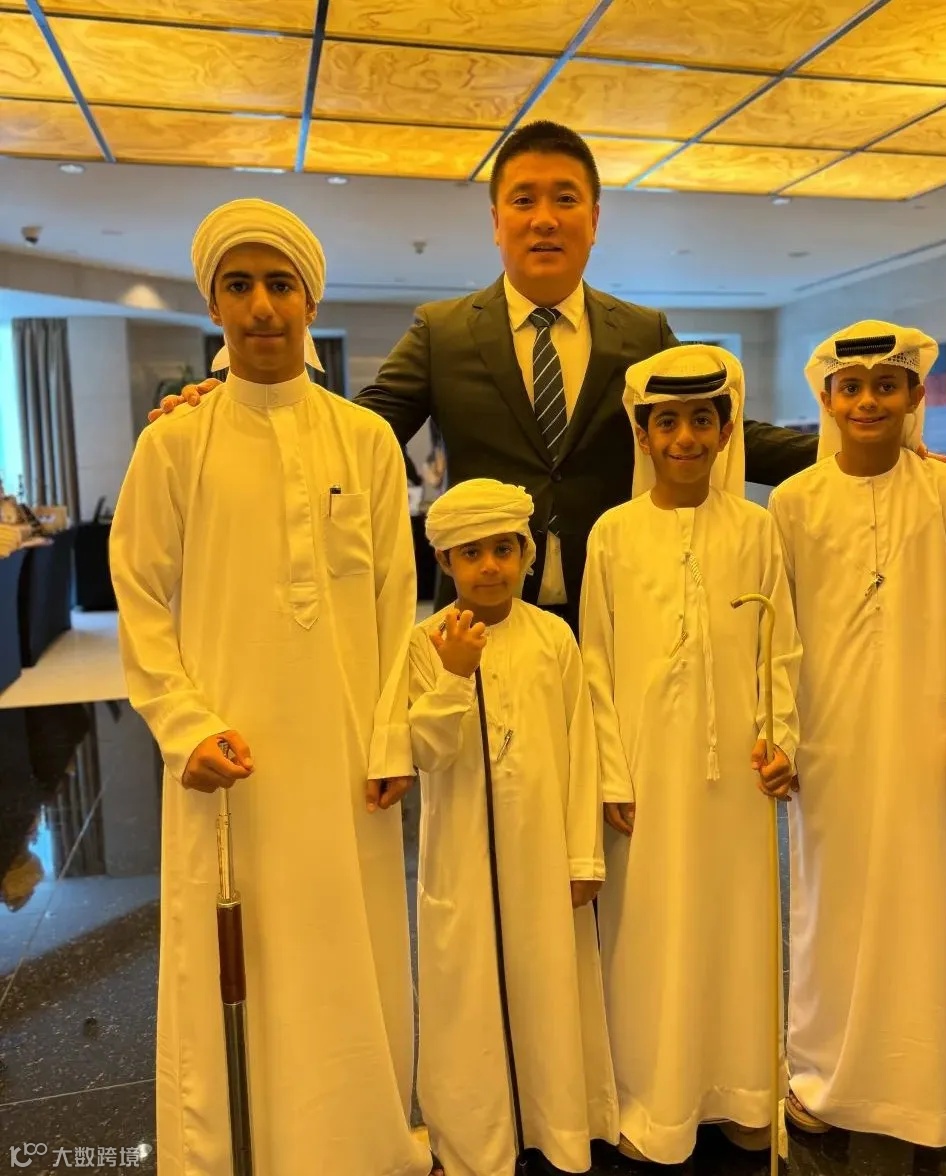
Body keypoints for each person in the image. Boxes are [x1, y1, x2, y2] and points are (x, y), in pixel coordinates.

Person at [149, 121, 819, 629]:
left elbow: (725, 429)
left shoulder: (642, 334)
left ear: (594, 220)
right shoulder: (443, 332)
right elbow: (354, 431)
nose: (544, 218)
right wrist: (241, 406)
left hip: (617, 605)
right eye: (524, 200)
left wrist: (850, 445)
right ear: (497, 223)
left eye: (565, 199)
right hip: (480, 611)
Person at [109, 198, 429, 1176]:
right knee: (237, 958)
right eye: (239, 286)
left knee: (351, 950)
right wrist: (183, 726)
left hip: (345, 761)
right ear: (214, 305)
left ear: (309, 300)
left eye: (280, 284)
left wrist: (391, 736)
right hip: (228, 761)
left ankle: (361, 1143)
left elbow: (396, 600)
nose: (261, 306)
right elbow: (139, 595)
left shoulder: (366, 442)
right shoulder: (175, 444)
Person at [769, 320, 946, 1148]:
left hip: (928, 741)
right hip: (829, 740)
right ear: (827, 399)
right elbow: (778, 639)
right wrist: (780, 734)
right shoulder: (795, 503)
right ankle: (820, 1074)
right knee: (829, 911)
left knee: (931, 908)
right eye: (852, 387)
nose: (868, 401)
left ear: (914, 396)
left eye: (885, 385)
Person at [579, 344, 800, 1163]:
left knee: (737, 927)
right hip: (645, 773)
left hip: (737, 772)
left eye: (700, 420)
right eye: (666, 422)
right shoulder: (613, 533)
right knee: (649, 933)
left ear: (725, 429)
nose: (684, 438)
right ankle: (653, 1099)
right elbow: (595, 663)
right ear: (642, 435)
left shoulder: (757, 528)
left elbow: (782, 651)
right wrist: (609, 771)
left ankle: (742, 1090)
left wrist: (781, 740)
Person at [384, 477, 618, 1176]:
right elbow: (426, 752)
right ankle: (474, 1143)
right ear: (446, 560)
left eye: (503, 550)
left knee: (549, 985)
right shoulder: (424, 643)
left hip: (544, 852)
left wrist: (584, 857)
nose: (490, 567)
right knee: (467, 993)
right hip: (460, 856)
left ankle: (557, 1128)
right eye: (471, 553)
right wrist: (455, 676)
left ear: (526, 554)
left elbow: (582, 748)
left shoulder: (554, 637)